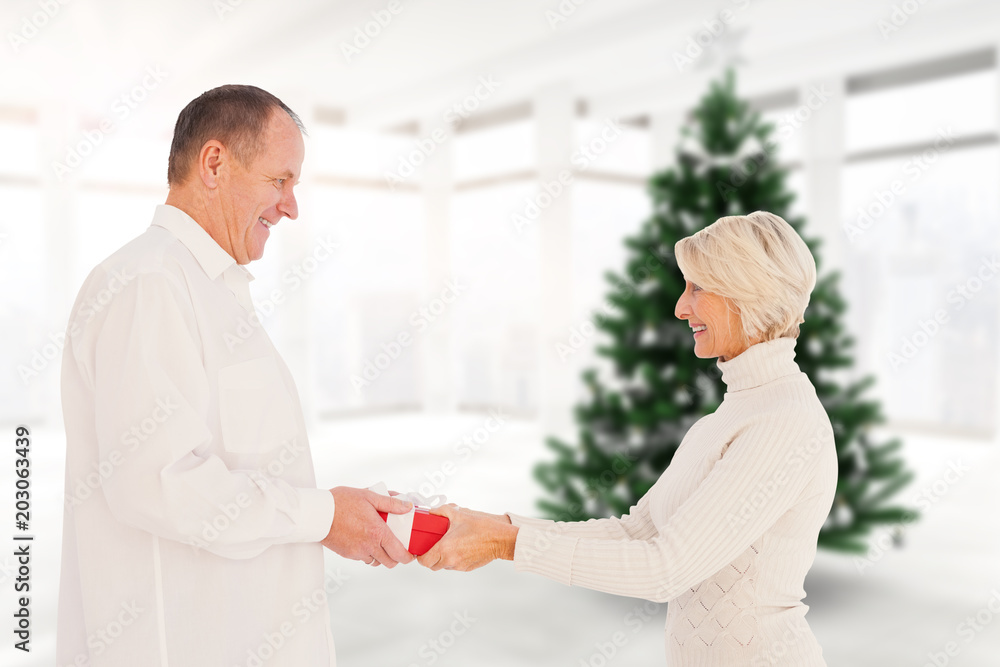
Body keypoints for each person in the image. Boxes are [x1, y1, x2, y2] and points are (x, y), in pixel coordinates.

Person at [57, 84, 414, 667]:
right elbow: (159, 482)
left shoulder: (205, 288)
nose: (291, 207)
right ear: (215, 163)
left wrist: (335, 515)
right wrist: (325, 516)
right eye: (280, 181)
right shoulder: (149, 284)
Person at [418, 211, 838, 666]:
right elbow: (635, 532)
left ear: (747, 293)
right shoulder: (729, 417)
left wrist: (506, 543)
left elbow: (666, 569)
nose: (680, 307)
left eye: (698, 287)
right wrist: (496, 526)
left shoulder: (785, 421)